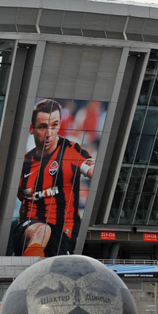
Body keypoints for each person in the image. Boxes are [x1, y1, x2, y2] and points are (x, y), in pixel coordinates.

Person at [10, 99, 95, 258]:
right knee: (42, 230)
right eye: (42, 127)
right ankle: (27, 267)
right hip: (31, 227)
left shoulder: (72, 152)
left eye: (54, 126)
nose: (49, 134)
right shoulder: (24, 164)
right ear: (31, 129)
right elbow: (24, 202)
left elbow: (93, 171)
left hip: (63, 229)